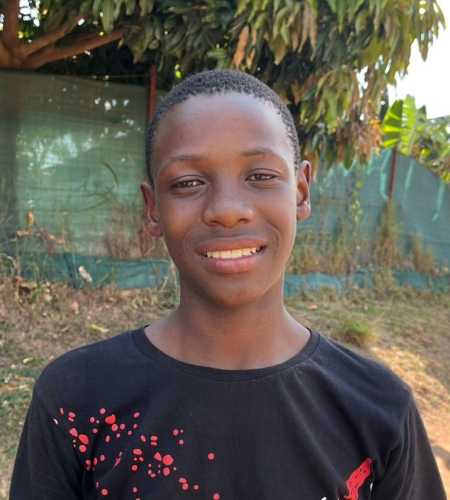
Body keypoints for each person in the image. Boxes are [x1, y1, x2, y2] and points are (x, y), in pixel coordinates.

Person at [10, 70, 446, 500]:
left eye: (260, 176)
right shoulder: (77, 399)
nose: (227, 209)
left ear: (300, 191)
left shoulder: (377, 407)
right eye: (188, 183)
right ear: (153, 208)